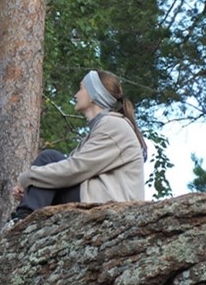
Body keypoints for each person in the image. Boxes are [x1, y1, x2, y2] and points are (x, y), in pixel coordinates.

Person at [10, 69, 147, 225]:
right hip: (98, 200)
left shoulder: (113, 125)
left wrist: (27, 178)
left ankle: (21, 222)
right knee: (50, 171)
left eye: (81, 88)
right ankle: (24, 218)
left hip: (109, 206)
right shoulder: (102, 128)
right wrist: (34, 192)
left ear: (94, 94)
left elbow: (75, 169)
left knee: (50, 158)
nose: (76, 94)